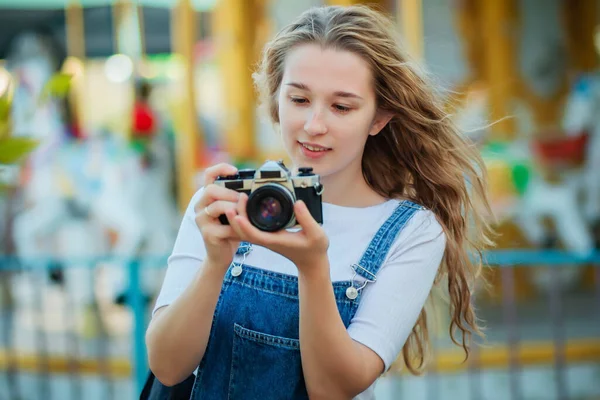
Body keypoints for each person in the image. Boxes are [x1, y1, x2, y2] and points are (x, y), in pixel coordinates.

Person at [144, 5, 493, 400]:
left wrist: (313, 268)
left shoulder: (411, 231)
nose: (314, 125)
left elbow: (333, 390)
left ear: (378, 118)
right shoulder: (222, 203)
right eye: (299, 99)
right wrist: (215, 262)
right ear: (276, 99)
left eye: (341, 106)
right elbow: (167, 366)